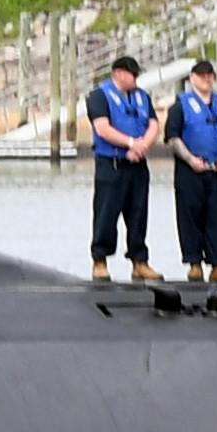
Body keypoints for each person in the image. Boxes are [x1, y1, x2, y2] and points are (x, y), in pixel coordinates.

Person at [167, 57, 217, 284]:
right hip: (191, 170)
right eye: (202, 75)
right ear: (192, 78)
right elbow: (172, 137)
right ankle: (194, 263)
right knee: (190, 216)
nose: (207, 79)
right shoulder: (180, 106)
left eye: (210, 75)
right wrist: (190, 159)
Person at [83, 51, 155, 283]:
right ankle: (100, 261)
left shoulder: (142, 97)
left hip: (138, 164)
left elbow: (153, 123)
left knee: (138, 214)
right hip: (111, 163)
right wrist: (131, 143)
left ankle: (139, 262)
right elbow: (102, 128)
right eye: (132, 74)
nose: (135, 79)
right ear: (118, 74)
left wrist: (143, 145)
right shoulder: (99, 96)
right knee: (106, 213)